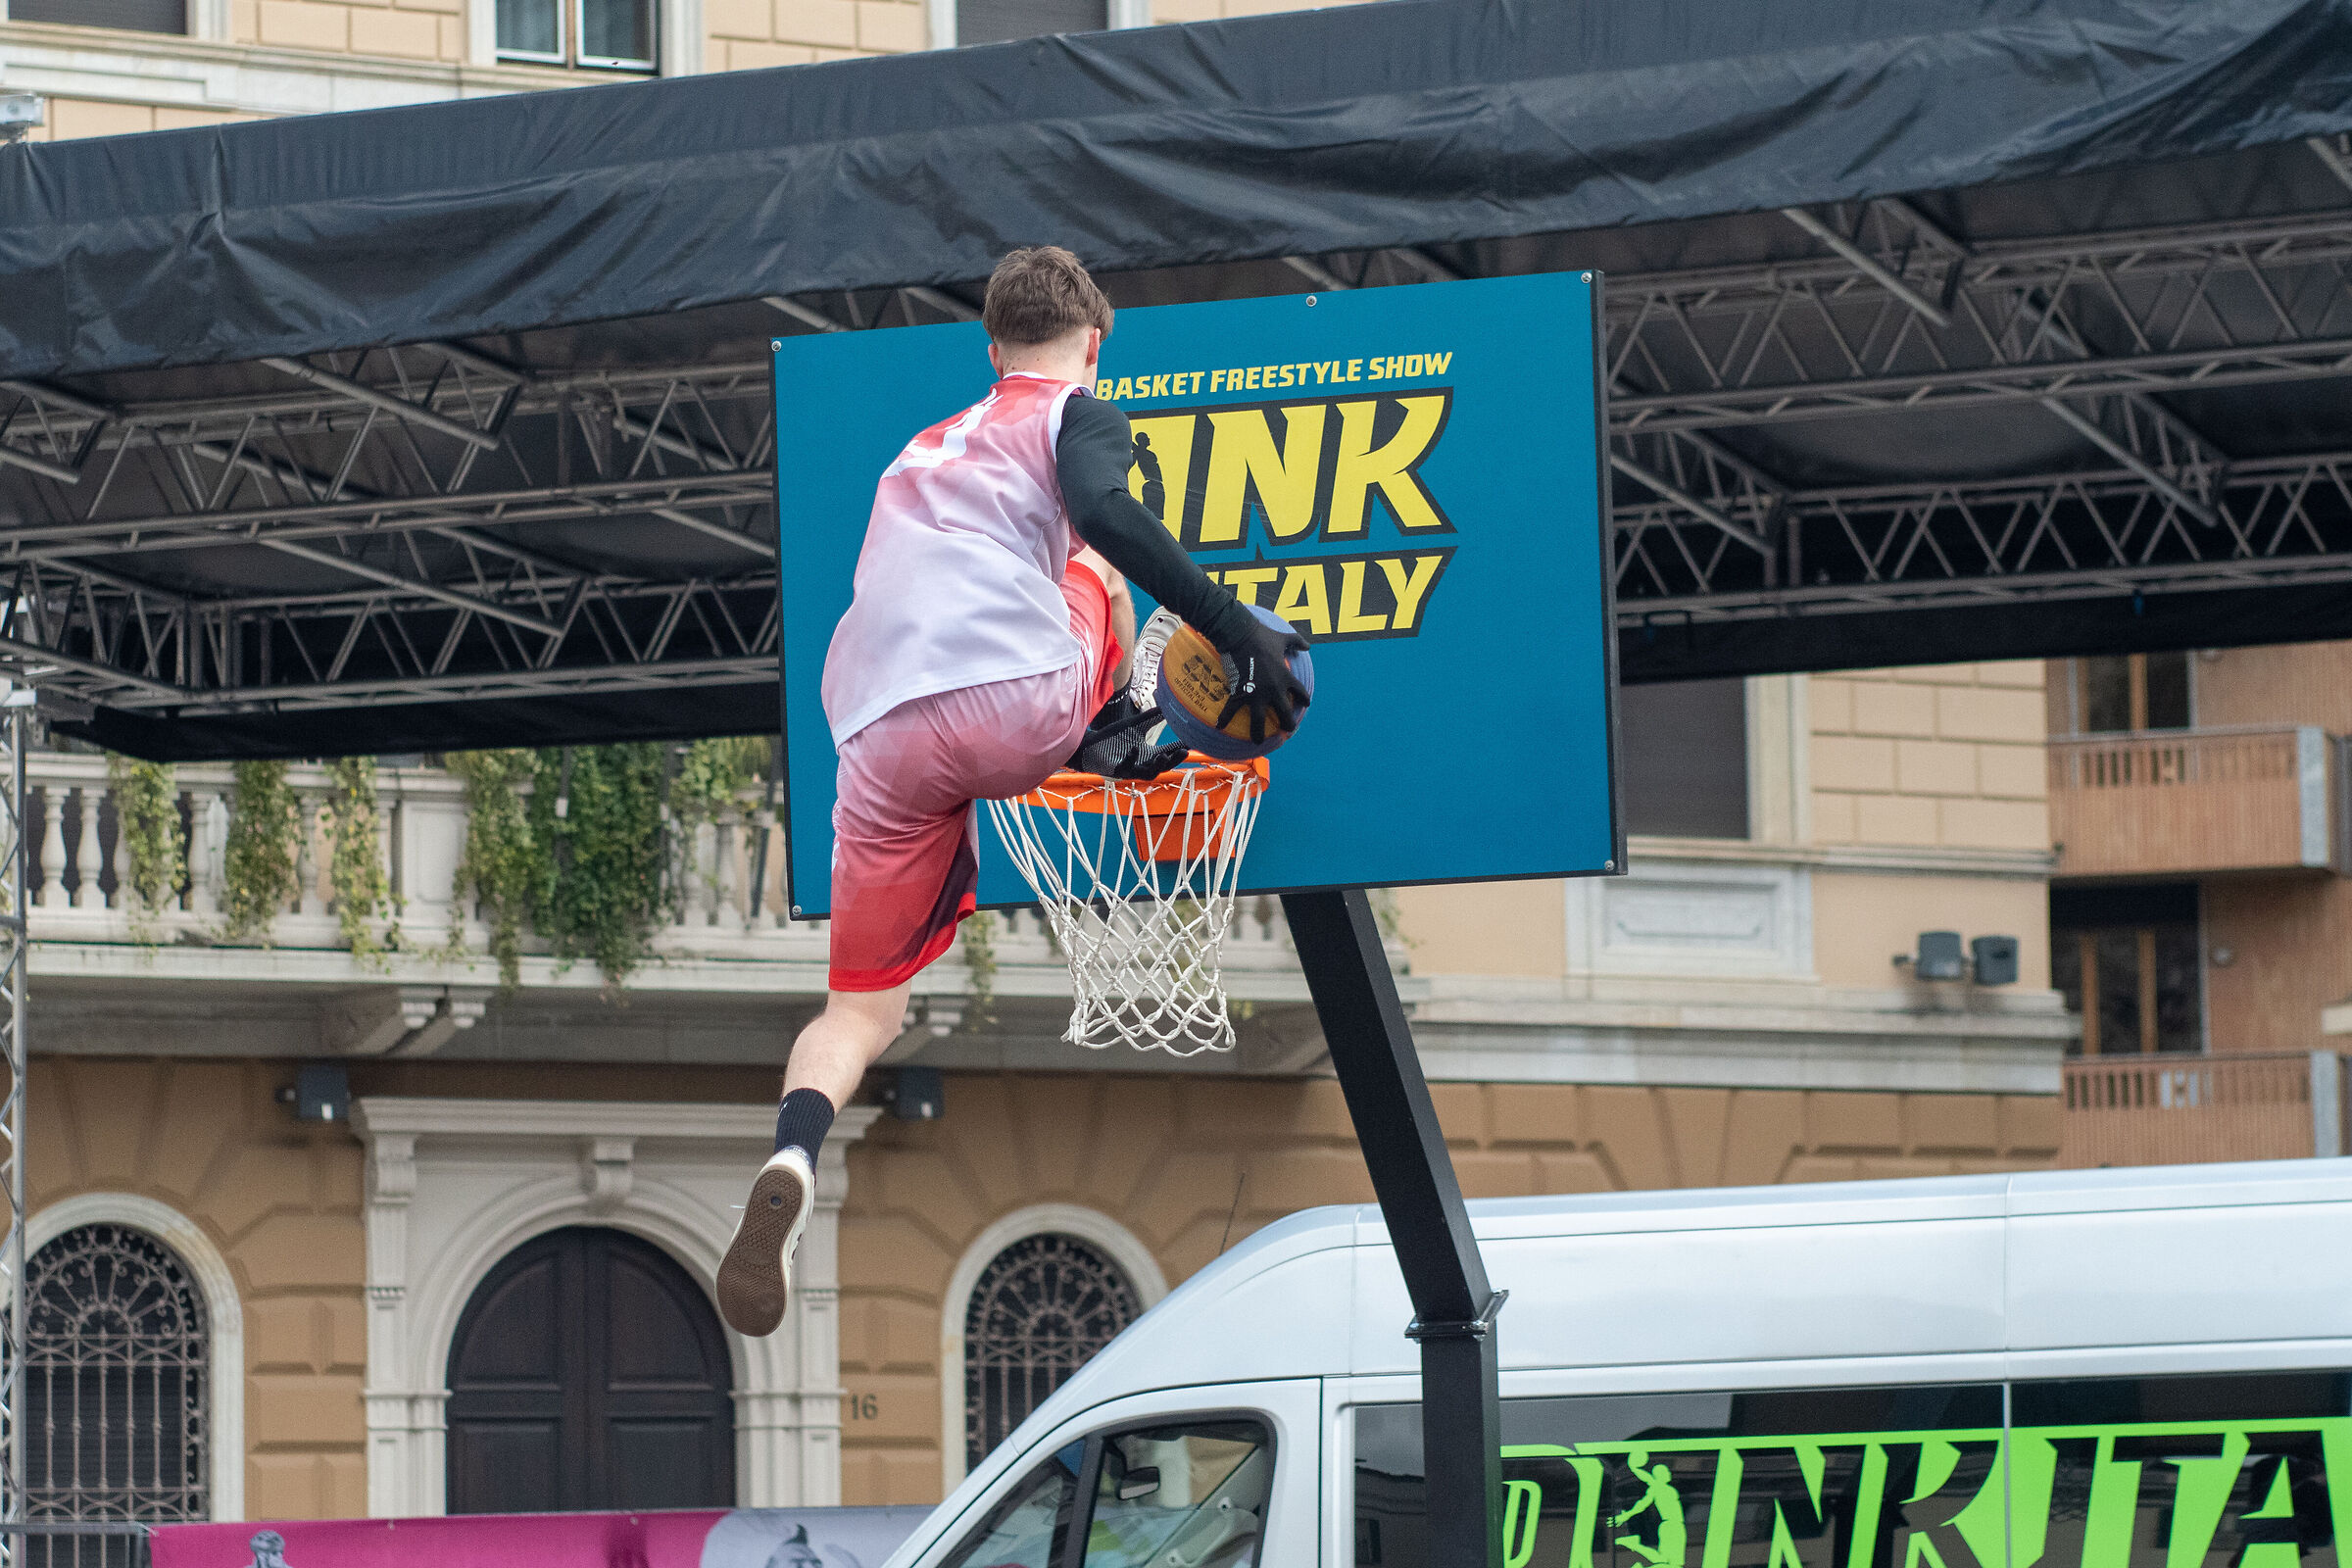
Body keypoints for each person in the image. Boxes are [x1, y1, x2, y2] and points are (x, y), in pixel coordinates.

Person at [717, 246, 1311, 1337]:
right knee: (1097, 562)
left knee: (861, 1010)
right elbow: (1106, 512)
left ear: (991, 348)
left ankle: (793, 1153)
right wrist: (1232, 628)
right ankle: (1120, 732)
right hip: (1017, 706)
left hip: (875, 732)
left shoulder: (917, 451)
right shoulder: (1074, 411)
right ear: (1097, 343)